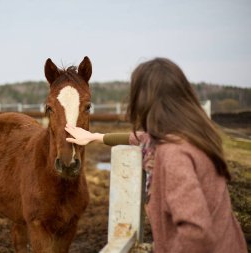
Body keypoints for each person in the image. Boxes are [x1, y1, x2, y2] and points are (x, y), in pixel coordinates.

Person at [65, 58, 247, 253]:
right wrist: (95, 137)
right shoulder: (194, 136)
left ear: (142, 100)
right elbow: (142, 138)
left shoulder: (173, 154)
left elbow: (196, 235)